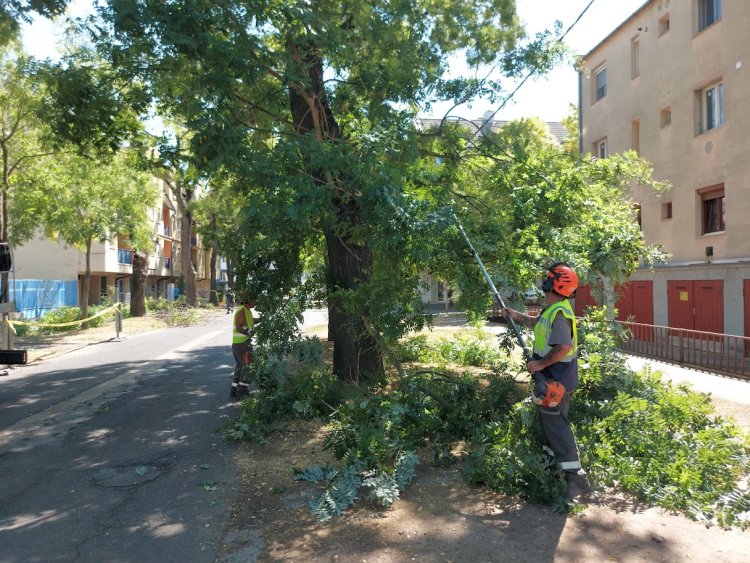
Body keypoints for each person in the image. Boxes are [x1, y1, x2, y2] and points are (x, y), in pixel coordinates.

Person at [501, 262, 590, 502]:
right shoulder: (552, 309)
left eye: (548, 278)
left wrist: (539, 365)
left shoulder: (560, 314)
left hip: (557, 379)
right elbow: (536, 324)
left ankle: (576, 478)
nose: (544, 280)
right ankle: (554, 466)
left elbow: (563, 348)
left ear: (555, 284)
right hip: (552, 377)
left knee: (558, 426)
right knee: (552, 425)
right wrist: (515, 315)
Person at [230, 292, 261, 397]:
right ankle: (242, 389)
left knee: (240, 366)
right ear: (248, 301)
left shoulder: (246, 311)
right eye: (254, 300)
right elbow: (239, 327)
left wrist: (261, 320)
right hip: (242, 344)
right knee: (250, 366)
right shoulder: (242, 310)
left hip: (240, 344)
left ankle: (234, 389)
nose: (256, 302)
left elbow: (250, 321)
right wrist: (248, 332)